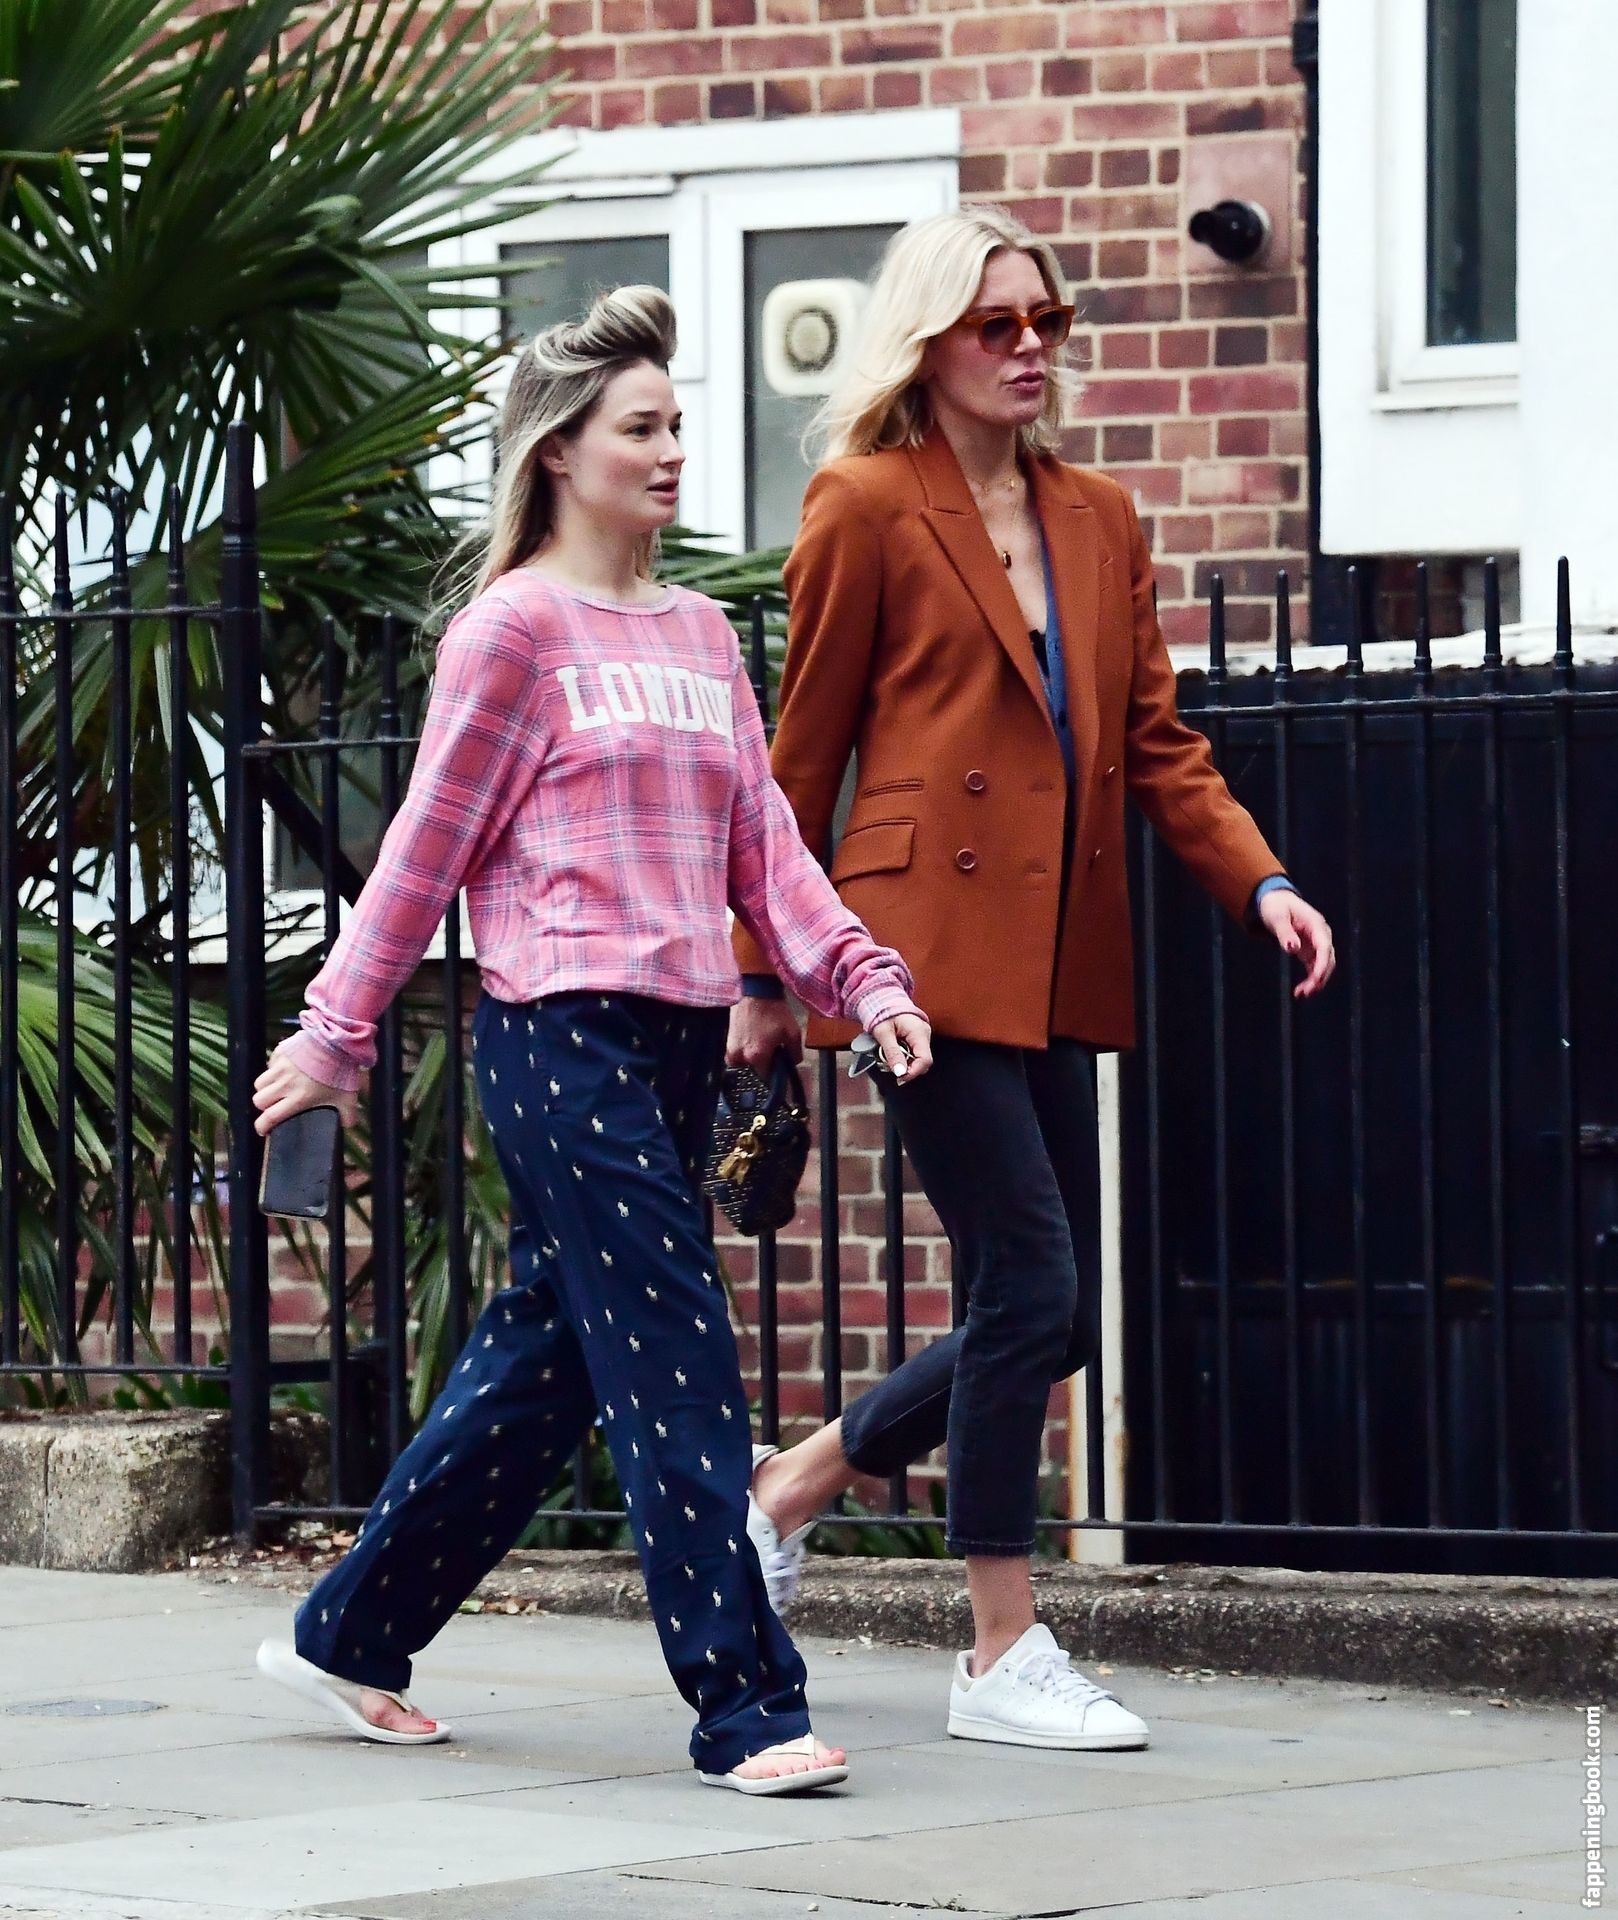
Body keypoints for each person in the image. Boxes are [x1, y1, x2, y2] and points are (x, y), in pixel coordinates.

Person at [250, 285, 933, 1795]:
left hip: (682, 1042)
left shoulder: (700, 633)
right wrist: (332, 1038)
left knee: (548, 1361)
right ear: (559, 451)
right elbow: (423, 854)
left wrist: (864, 979)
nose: (673, 449)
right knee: (677, 1358)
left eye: (678, 423)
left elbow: (765, 850)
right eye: (642, 427)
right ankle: (745, 1707)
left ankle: (349, 1633)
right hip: (557, 1036)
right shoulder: (512, 632)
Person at [729, 207, 1335, 1753]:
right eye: (995, 324)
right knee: (1031, 1279)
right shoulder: (864, 503)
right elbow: (797, 759)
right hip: (913, 953)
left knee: (1049, 1315)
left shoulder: (1099, 516)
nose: (1027, 348)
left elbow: (1154, 744)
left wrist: (1258, 879)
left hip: (1055, 945)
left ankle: (793, 1484)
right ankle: (1001, 1646)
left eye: (1045, 322)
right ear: (929, 340)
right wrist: (761, 971)